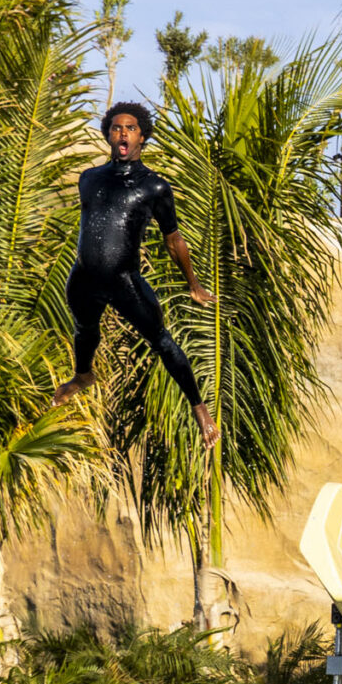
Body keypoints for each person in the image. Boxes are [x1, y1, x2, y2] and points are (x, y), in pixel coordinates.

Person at [51, 101, 218, 446]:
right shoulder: (88, 179)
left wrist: (194, 285)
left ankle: (199, 407)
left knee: (162, 341)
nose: (122, 132)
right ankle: (83, 376)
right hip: (83, 278)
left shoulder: (154, 187)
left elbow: (173, 240)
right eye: (116, 128)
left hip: (124, 282)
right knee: (84, 330)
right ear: (108, 136)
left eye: (130, 128)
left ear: (142, 136)